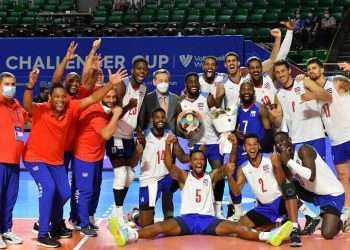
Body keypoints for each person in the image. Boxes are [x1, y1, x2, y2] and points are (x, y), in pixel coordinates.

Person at [108, 136, 294, 247]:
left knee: (236, 227)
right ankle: (128, 235)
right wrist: (167, 145)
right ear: (191, 162)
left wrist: (235, 146)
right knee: (160, 228)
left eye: (200, 160)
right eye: (195, 159)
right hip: (187, 220)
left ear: (204, 162)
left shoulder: (210, 177)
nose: (198, 162)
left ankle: (268, 236)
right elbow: (169, 165)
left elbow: (229, 166)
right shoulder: (184, 176)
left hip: (208, 221)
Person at [22, 68, 127, 248]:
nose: (61, 99)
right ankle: (42, 232)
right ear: (50, 98)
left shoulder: (72, 107)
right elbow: (27, 105)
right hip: (35, 158)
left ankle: (54, 224)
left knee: (63, 193)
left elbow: (93, 98)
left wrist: (111, 83)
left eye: (63, 97)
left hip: (55, 160)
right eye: (56, 97)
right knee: (48, 189)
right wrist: (30, 87)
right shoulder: (42, 109)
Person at [226, 133, 301, 247]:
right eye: (249, 145)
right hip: (264, 208)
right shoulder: (243, 168)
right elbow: (236, 193)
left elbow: (282, 182)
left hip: (280, 201)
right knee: (239, 227)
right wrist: (230, 177)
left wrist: (278, 166)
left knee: (289, 188)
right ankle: (278, 226)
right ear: (245, 148)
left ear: (259, 146)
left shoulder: (271, 158)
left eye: (255, 144)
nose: (252, 147)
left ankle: (294, 231)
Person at [71, 88, 124, 237]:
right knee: (85, 191)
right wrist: (118, 114)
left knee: (94, 188)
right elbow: (106, 134)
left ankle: (84, 217)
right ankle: (82, 224)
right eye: (108, 96)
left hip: (96, 156)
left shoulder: (105, 110)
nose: (112, 100)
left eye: (114, 97)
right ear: (101, 97)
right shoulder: (96, 114)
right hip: (84, 156)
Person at [305, 59, 350, 230]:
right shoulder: (314, 91)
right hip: (336, 140)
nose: (311, 71)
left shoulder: (336, 81)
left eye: (314, 68)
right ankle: (347, 210)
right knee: (343, 176)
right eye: (309, 69)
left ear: (322, 69)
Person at [274, 132, 345, 239]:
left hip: (332, 194)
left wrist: (288, 161)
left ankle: (340, 220)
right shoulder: (285, 159)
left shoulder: (304, 150)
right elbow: (285, 180)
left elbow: (311, 175)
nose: (281, 144)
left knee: (327, 234)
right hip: (313, 193)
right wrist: (279, 164)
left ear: (290, 140)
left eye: (282, 140)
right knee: (287, 188)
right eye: (277, 143)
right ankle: (310, 216)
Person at [107, 57, 148, 228]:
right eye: (138, 68)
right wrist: (127, 107)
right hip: (115, 134)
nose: (141, 72)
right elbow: (112, 114)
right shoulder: (123, 86)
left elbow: (136, 114)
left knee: (130, 175)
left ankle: (118, 213)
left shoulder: (144, 89)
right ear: (132, 69)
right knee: (121, 174)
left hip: (128, 136)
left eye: (144, 70)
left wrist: (139, 130)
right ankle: (117, 216)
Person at [176, 72, 225, 218]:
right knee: (193, 178)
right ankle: (192, 206)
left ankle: (218, 209)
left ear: (199, 84)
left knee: (219, 174)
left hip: (212, 142)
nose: (193, 84)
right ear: (186, 85)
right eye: (190, 82)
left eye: (195, 82)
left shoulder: (207, 97)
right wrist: (186, 134)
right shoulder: (181, 102)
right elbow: (179, 126)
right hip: (195, 145)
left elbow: (219, 115)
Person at [226, 80, 274, 222]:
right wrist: (235, 133)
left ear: (253, 92)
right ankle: (237, 211)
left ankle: (265, 206)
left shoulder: (260, 108)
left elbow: (268, 131)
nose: (246, 92)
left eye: (249, 89)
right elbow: (232, 128)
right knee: (235, 179)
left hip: (255, 150)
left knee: (263, 179)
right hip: (240, 149)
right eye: (243, 90)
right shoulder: (236, 109)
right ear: (239, 93)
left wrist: (264, 151)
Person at [137, 69, 180, 220]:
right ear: (154, 82)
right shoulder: (147, 99)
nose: (163, 83)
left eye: (166, 80)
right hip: (151, 151)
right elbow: (140, 123)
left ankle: (169, 215)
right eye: (160, 80)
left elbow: (179, 123)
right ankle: (141, 213)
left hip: (168, 147)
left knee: (170, 179)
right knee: (146, 220)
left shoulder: (176, 99)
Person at [136, 108, 188, 227]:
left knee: (185, 175)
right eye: (157, 117)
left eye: (163, 117)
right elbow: (134, 162)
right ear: (152, 119)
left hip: (166, 179)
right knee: (146, 225)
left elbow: (182, 157)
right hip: (149, 181)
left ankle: (185, 212)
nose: (160, 120)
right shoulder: (145, 136)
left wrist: (196, 151)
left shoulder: (170, 136)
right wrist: (138, 151)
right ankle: (135, 215)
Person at [269, 60, 331, 160]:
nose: (280, 74)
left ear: (289, 71)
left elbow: (326, 96)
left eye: (283, 71)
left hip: (315, 136)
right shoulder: (278, 95)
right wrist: (274, 116)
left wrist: (312, 96)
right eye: (277, 72)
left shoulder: (304, 82)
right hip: (296, 140)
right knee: (303, 175)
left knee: (321, 173)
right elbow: (278, 123)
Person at [0, 72, 26, 248]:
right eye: (7, 84)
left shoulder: (16, 105)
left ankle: (6, 230)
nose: (11, 87)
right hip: (0, 160)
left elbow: (30, 116)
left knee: (10, 198)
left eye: (13, 84)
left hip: (15, 161)